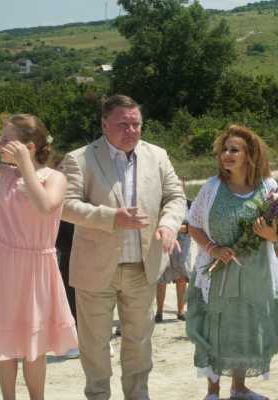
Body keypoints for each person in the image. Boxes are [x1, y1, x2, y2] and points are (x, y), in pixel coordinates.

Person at [60, 94, 186, 400]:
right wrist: (111, 218)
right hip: (95, 269)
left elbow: (175, 196)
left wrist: (169, 224)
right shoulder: (79, 159)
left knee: (139, 342)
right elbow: (65, 206)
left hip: (143, 267)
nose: (131, 130)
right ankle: (98, 395)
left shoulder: (158, 155)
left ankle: (138, 395)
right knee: (94, 344)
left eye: (136, 124)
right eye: (123, 124)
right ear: (104, 124)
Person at [0, 114, 78, 400]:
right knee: (3, 338)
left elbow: (45, 205)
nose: (1, 143)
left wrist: (25, 164)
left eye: (7, 139)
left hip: (34, 267)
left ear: (29, 146)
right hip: (0, 263)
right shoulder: (3, 174)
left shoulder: (55, 178)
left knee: (35, 343)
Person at [186, 124, 278, 400]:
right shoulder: (212, 187)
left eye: (234, 150)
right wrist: (213, 249)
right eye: (224, 150)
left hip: (256, 273)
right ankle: (212, 391)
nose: (226, 155)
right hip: (219, 272)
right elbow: (193, 225)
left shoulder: (269, 187)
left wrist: (271, 235)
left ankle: (238, 388)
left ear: (249, 155)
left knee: (245, 328)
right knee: (215, 327)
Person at [155, 198, 193, 323]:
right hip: (164, 243)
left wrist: (172, 228)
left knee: (182, 279)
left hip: (183, 246)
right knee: (161, 279)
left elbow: (192, 227)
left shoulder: (190, 204)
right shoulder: (161, 203)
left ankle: (181, 312)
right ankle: (159, 312)